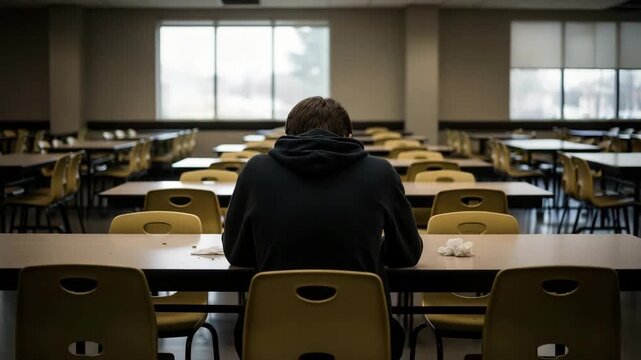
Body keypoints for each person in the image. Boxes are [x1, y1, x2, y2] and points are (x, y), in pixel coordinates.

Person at [222, 96, 423, 360]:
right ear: (349, 136)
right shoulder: (380, 173)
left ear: (288, 135)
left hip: (272, 334)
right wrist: (371, 249)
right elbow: (406, 254)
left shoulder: (255, 172)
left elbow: (236, 253)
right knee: (392, 335)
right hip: (363, 334)